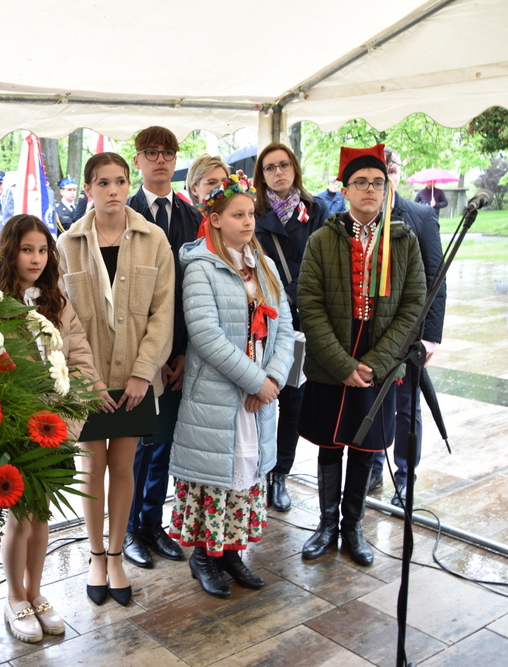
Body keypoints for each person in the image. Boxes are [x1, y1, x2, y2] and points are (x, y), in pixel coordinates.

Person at [297, 144, 425, 566]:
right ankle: (325, 525)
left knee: (366, 445)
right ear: (345, 190)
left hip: (380, 359)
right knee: (330, 444)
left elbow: (414, 304)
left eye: (377, 182)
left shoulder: (403, 240)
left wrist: (379, 362)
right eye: (360, 183)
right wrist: (343, 364)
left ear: (386, 188)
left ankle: (353, 528)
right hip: (332, 355)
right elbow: (309, 304)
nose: (369, 189)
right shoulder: (321, 239)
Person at [57, 152, 174, 607]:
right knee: (92, 467)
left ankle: (117, 554)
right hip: (88, 380)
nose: (112, 190)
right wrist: (81, 381)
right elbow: (58, 317)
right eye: (102, 182)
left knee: (124, 467)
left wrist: (143, 373)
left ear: (129, 185)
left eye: (120, 181)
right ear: (88, 189)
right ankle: (94, 556)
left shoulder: (154, 239)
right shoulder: (67, 244)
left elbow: (163, 314)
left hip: (135, 380)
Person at [170, 180, 294, 598]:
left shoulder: (264, 264)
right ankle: (204, 555)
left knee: (246, 475)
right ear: (216, 219)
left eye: (251, 214)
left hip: (258, 395)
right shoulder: (201, 265)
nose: (247, 222)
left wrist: (272, 380)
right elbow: (206, 335)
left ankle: (231, 553)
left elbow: (285, 329)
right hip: (219, 395)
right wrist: (256, 380)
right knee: (215, 477)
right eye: (238, 215)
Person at [0, 214, 112, 642]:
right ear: (10, 251)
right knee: (19, 518)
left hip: (56, 426)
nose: (36, 258)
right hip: (16, 428)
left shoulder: (56, 300)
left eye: (43, 250)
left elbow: (78, 355)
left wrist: (72, 413)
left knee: (42, 514)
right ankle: (13, 597)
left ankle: (36, 590)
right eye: (27, 249)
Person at [123, 126, 200, 570]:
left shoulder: (191, 217)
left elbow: (193, 290)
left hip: (179, 350)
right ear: (138, 160)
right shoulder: (126, 211)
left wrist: (183, 351)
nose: (160, 160)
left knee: (163, 443)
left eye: (167, 153)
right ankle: (130, 527)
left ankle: (154, 523)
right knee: (136, 445)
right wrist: (148, 358)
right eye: (151, 153)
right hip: (136, 353)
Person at [252, 143, 329, 513]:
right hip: (264, 318)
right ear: (261, 174)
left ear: (295, 168)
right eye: (270, 168)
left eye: (284, 165)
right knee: (260, 396)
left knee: (294, 400)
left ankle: (280, 473)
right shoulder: (251, 211)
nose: (278, 172)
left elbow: (324, 264)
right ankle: (259, 470)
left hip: (303, 319)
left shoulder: (316, 210)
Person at [370, 147, 447, 506]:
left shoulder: (421, 216)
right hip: (368, 332)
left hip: (409, 334)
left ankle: (404, 476)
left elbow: (437, 278)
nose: (385, 176)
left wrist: (431, 337)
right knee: (370, 400)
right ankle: (371, 464)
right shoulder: (358, 215)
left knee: (405, 407)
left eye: (391, 169)